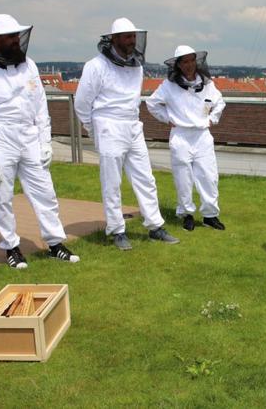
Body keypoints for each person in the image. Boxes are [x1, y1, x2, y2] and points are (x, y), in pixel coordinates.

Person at [0, 14, 78, 268]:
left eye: (17, 35)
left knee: (45, 191)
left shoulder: (29, 66)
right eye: (10, 37)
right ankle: (11, 247)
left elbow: (40, 107)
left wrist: (45, 141)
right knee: (2, 196)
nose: (16, 40)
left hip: (28, 136)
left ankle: (54, 243)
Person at [74, 17, 179, 250]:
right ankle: (117, 230)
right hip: (108, 125)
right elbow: (82, 104)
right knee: (111, 182)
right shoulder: (96, 66)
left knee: (145, 177)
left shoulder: (137, 66)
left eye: (134, 36)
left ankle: (155, 226)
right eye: (127, 37)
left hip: (132, 125)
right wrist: (93, 130)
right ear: (114, 39)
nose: (132, 41)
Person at [146, 45, 226, 231]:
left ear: (196, 62)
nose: (189, 65)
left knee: (208, 176)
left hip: (202, 135)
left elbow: (220, 102)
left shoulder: (207, 84)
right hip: (180, 135)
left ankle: (210, 215)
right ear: (178, 65)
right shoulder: (168, 86)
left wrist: (212, 119)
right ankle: (186, 214)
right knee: (183, 177)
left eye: (192, 60)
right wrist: (167, 119)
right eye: (185, 61)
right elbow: (152, 104)